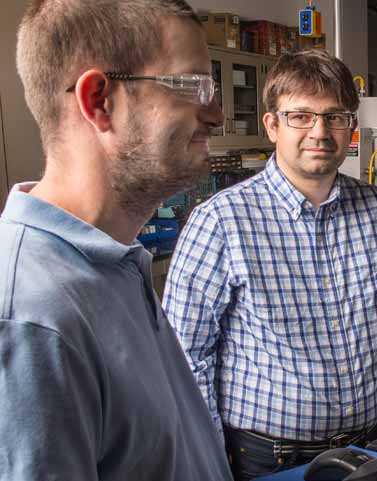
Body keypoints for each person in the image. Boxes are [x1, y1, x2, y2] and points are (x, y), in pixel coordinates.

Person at [163, 48, 377, 480]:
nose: (320, 131)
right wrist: (211, 461)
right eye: (301, 116)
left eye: (335, 116)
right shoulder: (222, 221)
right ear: (272, 125)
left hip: (374, 446)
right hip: (268, 460)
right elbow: (185, 360)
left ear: (351, 127)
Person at [0, 1, 230, 480]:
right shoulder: (32, 315)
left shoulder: (115, 266)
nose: (215, 114)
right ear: (99, 100)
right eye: (192, 87)